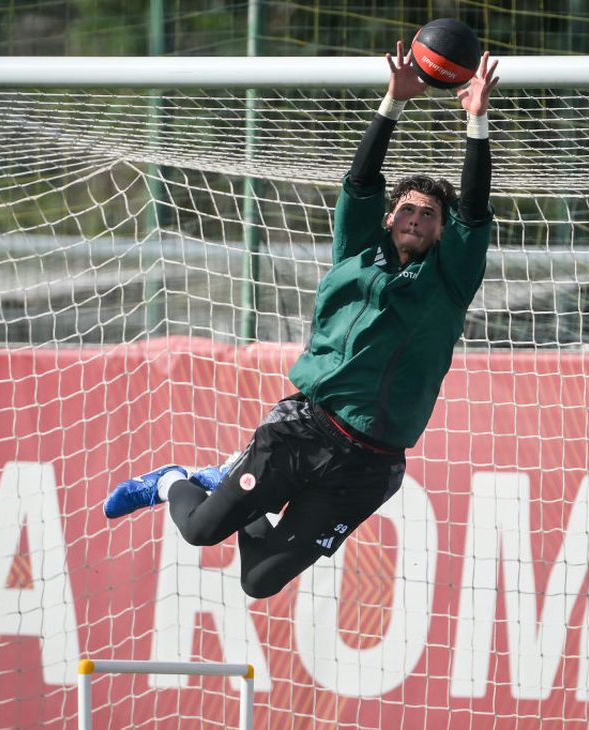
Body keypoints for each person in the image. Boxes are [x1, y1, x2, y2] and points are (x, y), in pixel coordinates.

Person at [104, 44, 499, 599]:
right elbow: (361, 182)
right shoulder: (357, 252)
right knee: (199, 529)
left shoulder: (449, 283)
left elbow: (476, 210)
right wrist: (392, 102)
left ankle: (228, 483)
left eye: (428, 215)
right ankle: (171, 481)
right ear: (389, 219)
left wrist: (475, 119)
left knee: (260, 581)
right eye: (406, 209)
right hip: (304, 430)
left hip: (370, 468)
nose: (415, 218)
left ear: (440, 233)